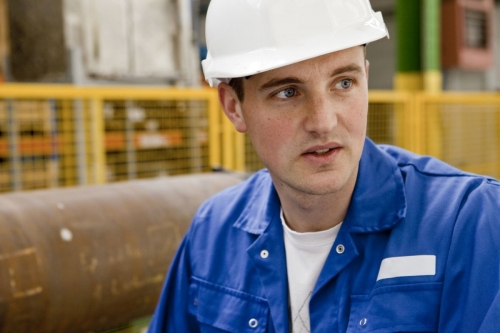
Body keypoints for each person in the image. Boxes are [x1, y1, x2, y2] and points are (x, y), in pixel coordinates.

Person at [149, 0, 500, 332]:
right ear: (234, 107)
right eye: (288, 92)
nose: (323, 121)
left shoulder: (467, 223)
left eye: (343, 83)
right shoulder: (212, 235)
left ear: (365, 78)